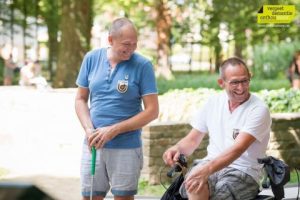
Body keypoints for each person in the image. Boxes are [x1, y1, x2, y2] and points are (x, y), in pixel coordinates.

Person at [163, 57, 271, 200]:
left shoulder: (258, 109)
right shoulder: (213, 102)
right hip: (210, 163)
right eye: (235, 82)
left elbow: (237, 149)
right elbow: (192, 140)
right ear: (221, 83)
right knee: (194, 183)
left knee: (221, 195)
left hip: (243, 171)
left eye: (245, 81)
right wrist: (177, 148)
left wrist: (205, 171)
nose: (241, 88)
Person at [75, 17, 159, 200]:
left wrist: (114, 130)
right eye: (126, 44)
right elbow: (80, 99)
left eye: (134, 44)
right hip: (93, 145)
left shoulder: (143, 65)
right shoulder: (91, 59)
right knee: (90, 197)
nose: (130, 49)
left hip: (126, 148)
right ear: (110, 40)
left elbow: (152, 110)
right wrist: (89, 129)